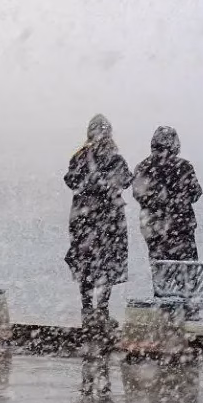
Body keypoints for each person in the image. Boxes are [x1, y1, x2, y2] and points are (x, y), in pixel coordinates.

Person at [65, 114, 133, 329]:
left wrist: (89, 188)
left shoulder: (79, 157)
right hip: (109, 220)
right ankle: (102, 311)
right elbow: (126, 180)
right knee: (108, 264)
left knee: (85, 263)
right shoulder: (115, 158)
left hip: (83, 218)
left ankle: (87, 311)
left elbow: (70, 180)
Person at [132, 126, 203, 263]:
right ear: (174, 143)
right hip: (182, 228)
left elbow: (138, 195)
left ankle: (164, 283)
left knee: (161, 271)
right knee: (186, 272)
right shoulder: (183, 166)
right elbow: (195, 193)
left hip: (154, 229)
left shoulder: (143, 167)